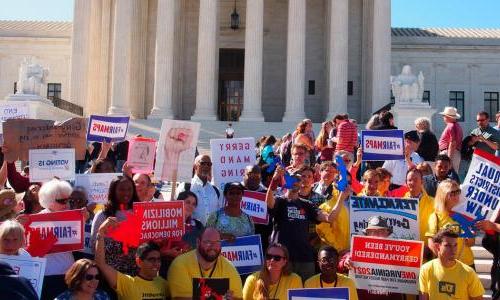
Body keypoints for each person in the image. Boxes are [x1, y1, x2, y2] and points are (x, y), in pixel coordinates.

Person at [266, 165, 351, 281]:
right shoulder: (280, 201)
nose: (296, 181)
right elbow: (269, 202)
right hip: (282, 259)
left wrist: (341, 197)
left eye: (298, 179)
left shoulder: (307, 204)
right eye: (292, 178)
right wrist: (274, 180)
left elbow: (330, 218)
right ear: (286, 180)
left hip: (304, 259)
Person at [96, 218, 169, 300]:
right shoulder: (127, 283)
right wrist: (100, 232)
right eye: (152, 260)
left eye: (158, 259)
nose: (156, 263)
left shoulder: (164, 284)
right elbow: (101, 264)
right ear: (139, 262)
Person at [167, 227, 243, 299]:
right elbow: (181, 298)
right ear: (198, 242)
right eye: (208, 242)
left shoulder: (228, 266)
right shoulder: (180, 264)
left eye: (217, 242)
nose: (213, 246)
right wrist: (219, 297)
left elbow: (239, 298)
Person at [90, 176, 139, 276]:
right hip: (109, 274)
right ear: (113, 191)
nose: (126, 193)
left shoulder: (140, 212)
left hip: (136, 274)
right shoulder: (102, 215)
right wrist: (102, 231)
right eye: (121, 189)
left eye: (129, 189)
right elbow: (93, 248)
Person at [419, 228, 484, 300]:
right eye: (448, 246)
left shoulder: (468, 272)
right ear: (437, 247)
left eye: (455, 245)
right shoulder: (426, 269)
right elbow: (423, 297)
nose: (453, 250)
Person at [426, 179, 475, 267]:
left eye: (458, 191)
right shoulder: (435, 217)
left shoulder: (464, 214)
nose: (456, 195)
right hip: (446, 266)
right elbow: (431, 243)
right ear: (443, 195)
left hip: (466, 264)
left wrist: (470, 236)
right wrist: (444, 259)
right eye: (452, 193)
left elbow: (470, 243)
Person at [176, 155, 223, 225]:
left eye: (209, 164)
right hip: (192, 233)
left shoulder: (216, 190)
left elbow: (220, 213)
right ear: (195, 166)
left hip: (211, 233)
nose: (206, 166)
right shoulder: (185, 187)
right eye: (203, 163)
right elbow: (176, 211)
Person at [403, 169, 434, 243]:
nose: (412, 182)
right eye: (409, 180)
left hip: (426, 248)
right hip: (406, 247)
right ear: (406, 183)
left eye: (415, 180)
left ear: (422, 181)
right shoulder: (400, 203)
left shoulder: (433, 203)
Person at [438, 106, 463, 172]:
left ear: (448, 117)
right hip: (453, 153)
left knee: (446, 174)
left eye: (444, 116)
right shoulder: (456, 126)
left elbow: (452, 143)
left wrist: (449, 159)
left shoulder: (451, 126)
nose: (443, 117)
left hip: (449, 153)